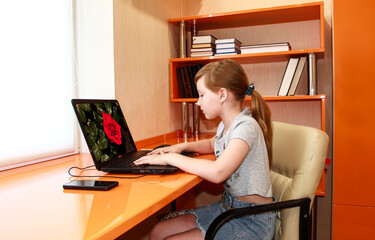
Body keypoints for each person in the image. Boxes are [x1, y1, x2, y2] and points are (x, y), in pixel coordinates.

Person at [134, 59, 276, 240]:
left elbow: (218, 172)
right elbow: (212, 144)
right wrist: (179, 147)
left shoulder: (246, 126)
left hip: (251, 219)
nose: (197, 102)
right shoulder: (226, 125)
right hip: (228, 207)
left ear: (222, 95)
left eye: (201, 95)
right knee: (158, 231)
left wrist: (171, 159)